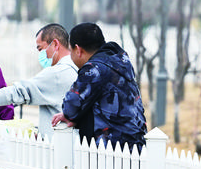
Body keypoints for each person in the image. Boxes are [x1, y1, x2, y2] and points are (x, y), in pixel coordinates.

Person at [0, 23, 77, 139]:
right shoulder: (76, 69)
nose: (40, 54)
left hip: (58, 147)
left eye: (40, 49)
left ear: (55, 44)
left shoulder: (57, 73)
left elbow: (17, 92)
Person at [51, 22, 147, 151]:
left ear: (78, 50)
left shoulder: (94, 69)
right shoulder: (121, 62)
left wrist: (71, 116)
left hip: (111, 147)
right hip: (135, 144)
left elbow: (71, 106)